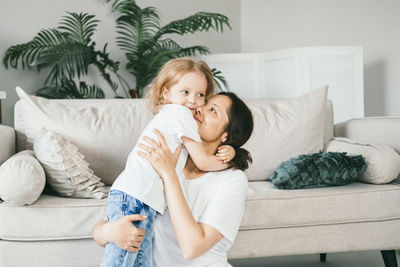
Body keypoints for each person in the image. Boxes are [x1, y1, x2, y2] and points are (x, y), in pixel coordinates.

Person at [100, 58, 236, 267]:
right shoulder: (179, 115)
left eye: (201, 96)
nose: (195, 103)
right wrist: (232, 159)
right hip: (136, 195)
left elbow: (192, 248)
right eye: (185, 92)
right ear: (166, 93)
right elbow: (204, 161)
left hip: (135, 196)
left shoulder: (231, 181)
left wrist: (169, 172)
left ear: (226, 134)